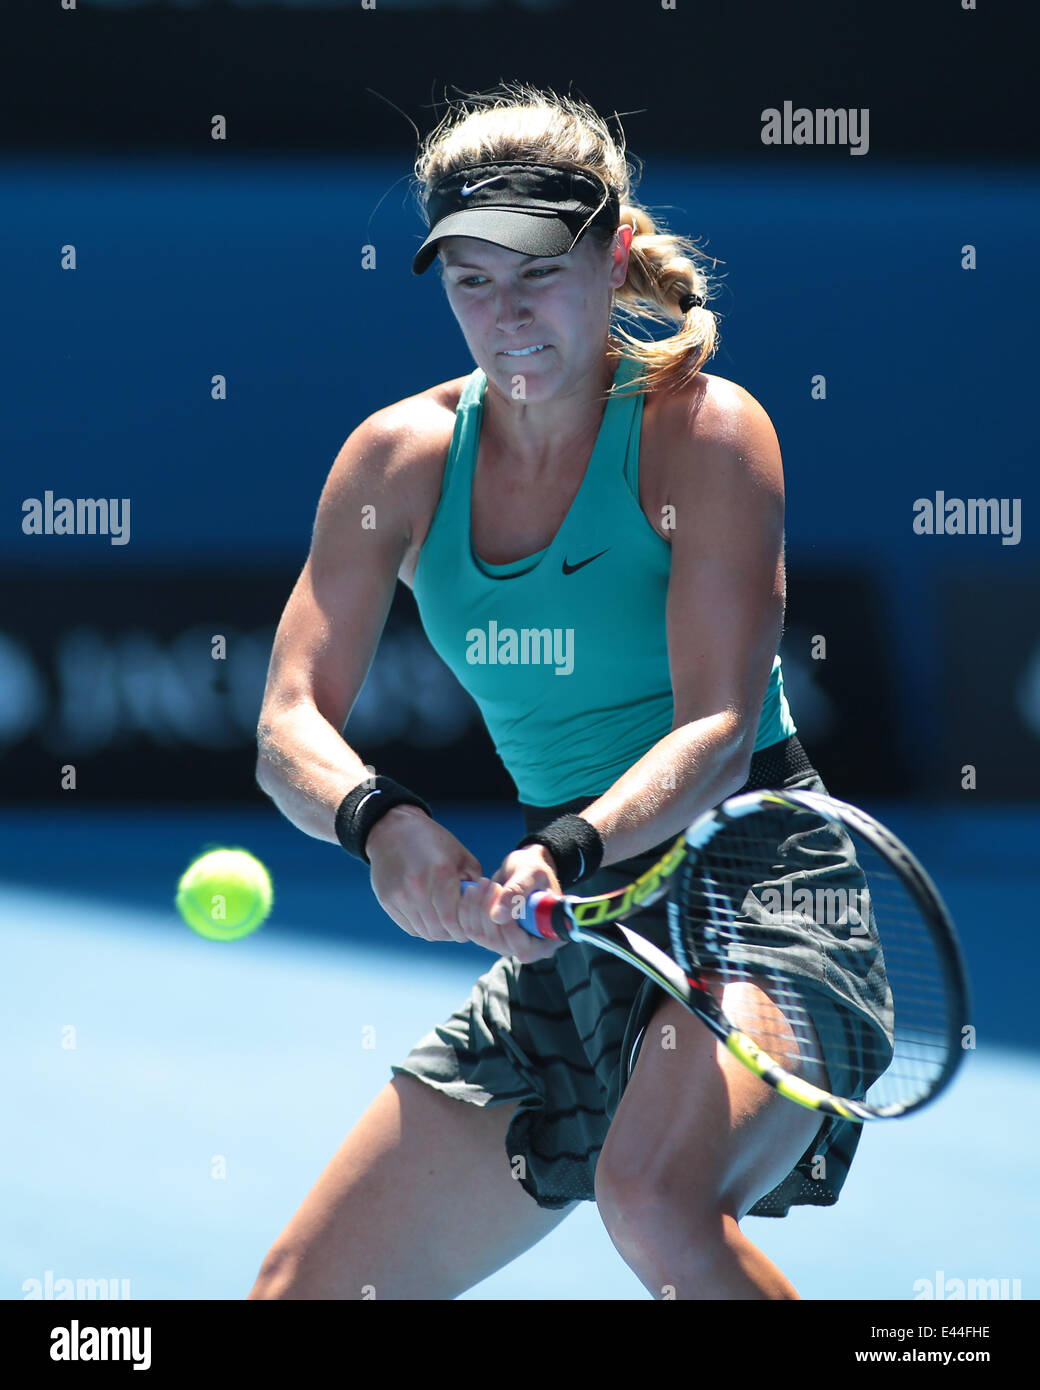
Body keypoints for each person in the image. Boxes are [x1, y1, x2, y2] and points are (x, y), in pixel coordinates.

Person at [248, 82, 868, 1301]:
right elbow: (286, 725)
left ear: (615, 256)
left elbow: (718, 729)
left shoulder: (706, 433)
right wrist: (383, 821)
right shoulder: (397, 459)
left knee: (653, 1200)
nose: (504, 310)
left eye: (537, 269)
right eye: (469, 278)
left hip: (757, 888)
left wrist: (570, 844)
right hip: (575, 925)